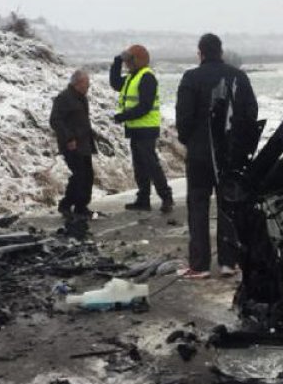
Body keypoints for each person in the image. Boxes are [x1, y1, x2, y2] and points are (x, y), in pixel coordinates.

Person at [174, 33, 258, 279]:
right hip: (231, 156)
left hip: (200, 155)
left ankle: (199, 265)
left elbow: (184, 118)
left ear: (200, 53)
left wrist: (189, 140)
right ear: (221, 52)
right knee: (229, 206)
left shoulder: (190, 78)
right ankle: (228, 262)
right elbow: (251, 113)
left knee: (198, 206)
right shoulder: (239, 77)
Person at [109, 44, 174, 213]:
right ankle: (143, 199)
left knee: (151, 165)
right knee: (140, 166)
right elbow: (115, 83)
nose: (127, 64)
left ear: (137, 61)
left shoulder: (147, 77)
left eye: (129, 61)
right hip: (136, 128)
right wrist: (116, 62)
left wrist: (123, 116)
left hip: (146, 128)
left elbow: (145, 106)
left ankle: (166, 197)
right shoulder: (132, 77)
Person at [49, 69, 95, 220]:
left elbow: (81, 120)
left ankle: (81, 207)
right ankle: (66, 205)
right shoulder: (64, 98)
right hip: (72, 145)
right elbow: (55, 120)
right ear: (77, 83)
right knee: (79, 175)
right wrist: (69, 138)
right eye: (86, 84)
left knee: (88, 176)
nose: (88, 87)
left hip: (84, 143)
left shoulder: (82, 98)